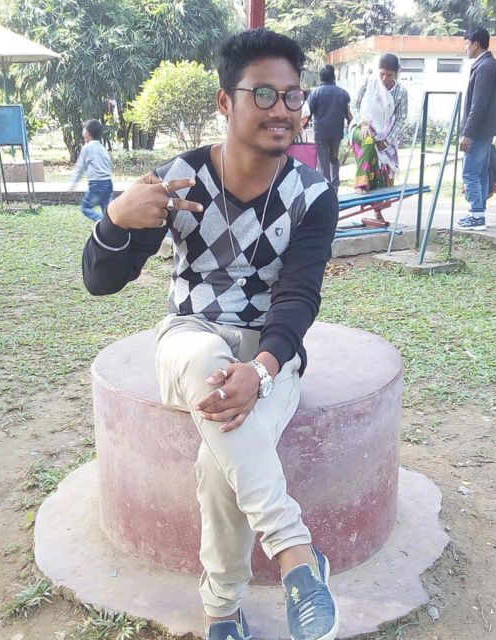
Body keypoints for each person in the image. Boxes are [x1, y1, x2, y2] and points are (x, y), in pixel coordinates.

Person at [82, 28, 340, 640]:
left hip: (271, 352)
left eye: (293, 96)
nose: (282, 109)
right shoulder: (180, 180)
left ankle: (221, 610)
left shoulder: (312, 195)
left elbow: (299, 296)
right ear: (226, 102)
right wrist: (116, 219)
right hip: (189, 336)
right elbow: (100, 281)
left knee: (220, 457)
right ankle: (297, 553)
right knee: (205, 359)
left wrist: (265, 369)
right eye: (264, 94)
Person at [456, 27, 496, 231]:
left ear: (475, 44)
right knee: (481, 172)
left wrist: (467, 134)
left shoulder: (484, 67)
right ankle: (478, 213)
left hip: (479, 130)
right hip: (485, 129)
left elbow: (478, 105)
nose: (465, 48)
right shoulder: (490, 65)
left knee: (470, 173)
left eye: (467, 44)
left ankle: (476, 216)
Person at [350, 54, 408, 194]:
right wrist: (363, 123)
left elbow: (401, 119)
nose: (384, 79)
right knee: (368, 140)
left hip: (385, 135)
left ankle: (379, 205)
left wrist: (387, 141)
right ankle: (360, 183)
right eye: (382, 74)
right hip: (361, 128)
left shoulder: (401, 92)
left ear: (397, 74)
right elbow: (354, 105)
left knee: (383, 174)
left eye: (389, 75)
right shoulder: (369, 82)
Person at [307, 64, 352, 189]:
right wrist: (351, 128)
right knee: (334, 158)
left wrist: (301, 127)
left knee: (323, 162)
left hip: (321, 132)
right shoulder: (343, 94)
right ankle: (335, 186)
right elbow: (349, 115)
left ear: (321, 77)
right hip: (336, 132)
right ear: (334, 77)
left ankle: (325, 187)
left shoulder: (315, 93)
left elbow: (308, 113)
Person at [69, 119, 113, 223]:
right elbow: (109, 165)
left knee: (86, 208)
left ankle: (103, 223)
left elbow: (80, 168)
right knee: (107, 212)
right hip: (108, 183)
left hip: (96, 184)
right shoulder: (102, 148)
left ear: (87, 133)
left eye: (83, 129)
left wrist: (73, 184)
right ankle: (109, 225)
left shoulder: (87, 148)